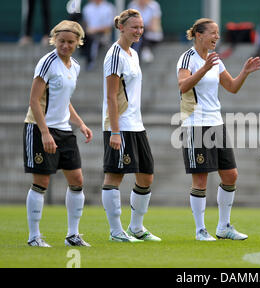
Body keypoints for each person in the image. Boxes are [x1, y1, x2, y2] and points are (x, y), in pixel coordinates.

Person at [176, 18, 260, 241]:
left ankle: (224, 227)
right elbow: (183, 86)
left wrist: (244, 72)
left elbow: (232, 87)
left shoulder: (216, 60)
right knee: (201, 180)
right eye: (213, 33)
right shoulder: (188, 58)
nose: (217, 37)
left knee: (230, 175)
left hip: (216, 123)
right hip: (196, 124)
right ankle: (200, 230)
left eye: (218, 33)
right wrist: (204, 69)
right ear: (198, 35)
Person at [23, 20, 93, 247]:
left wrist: (80, 123)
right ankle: (34, 237)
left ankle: (73, 235)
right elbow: (34, 100)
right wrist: (44, 133)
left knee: (77, 180)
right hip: (39, 127)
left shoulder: (75, 66)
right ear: (55, 40)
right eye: (61, 41)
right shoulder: (47, 63)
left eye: (70, 42)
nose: (65, 45)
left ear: (78, 43)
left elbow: (64, 100)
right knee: (41, 182)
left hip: (64, 130)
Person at [101, 9, 161, 243]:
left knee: (146, 176)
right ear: (121, 28)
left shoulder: (133, 54)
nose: (138, 31)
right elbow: (111, 97)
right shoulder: (114, 55)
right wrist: (115, 131)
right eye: (134, 27)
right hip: (120, 125)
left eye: (141, 27)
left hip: (136, 125)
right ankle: (116, 231)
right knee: (114, 176)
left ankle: (136, 227)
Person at [81, 0, 116, 70]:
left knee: (93, 40)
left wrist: (94, 30)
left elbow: (108, 28)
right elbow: (85, 23)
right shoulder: (87, 8)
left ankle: (90, 61)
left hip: (103, 35)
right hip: (88, 34)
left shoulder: (109, 8)